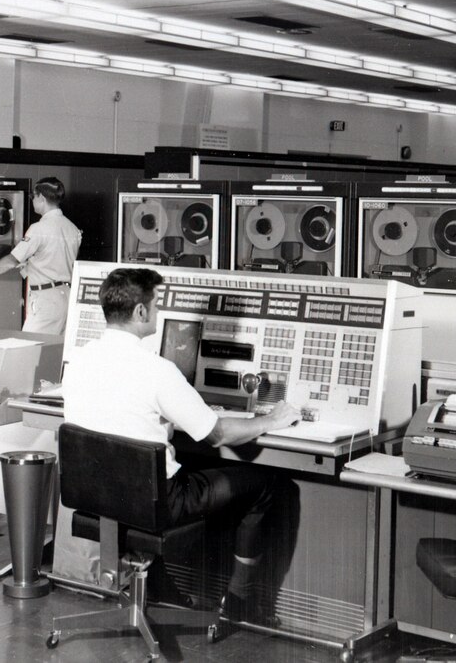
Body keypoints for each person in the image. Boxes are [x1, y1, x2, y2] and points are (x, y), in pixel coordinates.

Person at [62, 267, 301, 623]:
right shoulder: (157, 369)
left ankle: (159, 587)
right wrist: (271, 420)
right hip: (160, 501)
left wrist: (164, 421)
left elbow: (116, 419)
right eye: (156, 305)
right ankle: (240, 602)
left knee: (188, 465)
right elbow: (218, 434)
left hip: (99, 497)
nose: (158, 313)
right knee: (268, 484)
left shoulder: (79, 360)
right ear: (140, 312)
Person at [0, 177, 81, 335]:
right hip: (66, 298)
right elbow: (55, 259)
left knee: (29, 347)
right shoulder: (72, 229)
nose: (33, 201)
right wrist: (31, 264)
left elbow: (12, 260)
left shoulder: (39, 228)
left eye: (34, 196)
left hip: (45, 300)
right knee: (56, 350)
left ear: (41, 197)